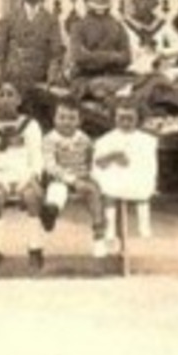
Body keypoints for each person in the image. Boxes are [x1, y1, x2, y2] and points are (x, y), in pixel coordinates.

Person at [0, 81, 47, 274]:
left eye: (11, 94)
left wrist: (33, 176)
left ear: (19, 100)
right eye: (1, 94)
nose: (6, 98)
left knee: (33, 197)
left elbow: (36, 155)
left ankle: (35, 248)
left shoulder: (30, 125)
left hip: (23, 173)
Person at [40, 97, 110, 258]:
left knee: (94, 192)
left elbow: (91, 159)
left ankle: (99, 235)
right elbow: (50, 165)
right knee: (57, 189)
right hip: (59, 177)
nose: (66, 122)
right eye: (62, 117)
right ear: (54, 119)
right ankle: (51, 211)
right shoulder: (50, 139)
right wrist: (71, 180)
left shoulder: (84, 139)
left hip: (82, 176)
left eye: (72, 118)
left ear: (79, 121)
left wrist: (90, 174)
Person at [93, 100, 160, 243]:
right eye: (121, 118)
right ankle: (110, 229)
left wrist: (144, 175)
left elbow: (149, 164)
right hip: (113, 175)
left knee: (143, 192)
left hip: (136, 176)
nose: (125, 123)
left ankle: (144, 227)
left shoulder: (146, 140)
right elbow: (98, 163)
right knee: (108, 192)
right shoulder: (106, 139)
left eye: (130, 119)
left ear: (138, 119)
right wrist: (112, 157)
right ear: (114, 118)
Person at [0, 0, 66, 94]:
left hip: (40, 77)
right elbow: (0, 52)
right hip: (14, 76)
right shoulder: (8, 19)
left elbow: (56, 53)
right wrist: (2, 79)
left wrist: (51, 76)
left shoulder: (51, 20)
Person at [66, 0, 134, 88]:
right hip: (87, 78)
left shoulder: (118, 25)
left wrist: (93, 56)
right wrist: (113, 56)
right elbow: (79, 57)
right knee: (102, 87)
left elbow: (127, 58)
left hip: (116, 76)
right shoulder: (78, 26)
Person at [122, 0, 178, 75]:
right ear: (134, 1)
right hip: (132, 72)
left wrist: (162, 53)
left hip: (157, 71)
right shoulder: (123, 26)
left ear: (156, 3)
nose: (145, 3)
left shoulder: (162, 25)